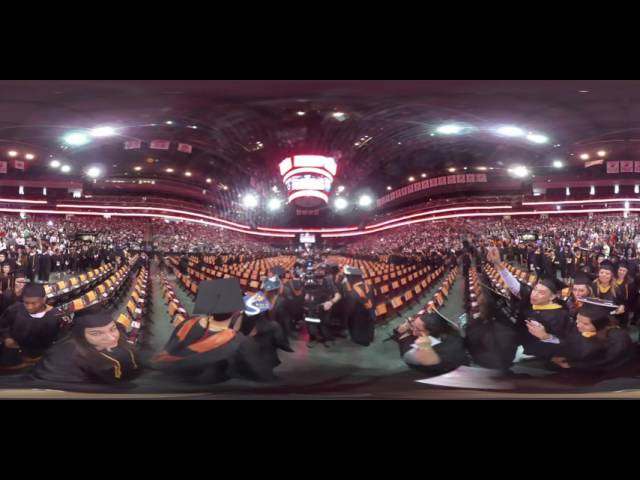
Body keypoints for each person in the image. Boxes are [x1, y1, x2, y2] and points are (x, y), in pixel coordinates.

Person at [487, 246, 570, 359]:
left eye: (541, 293)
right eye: (535, 289)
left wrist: (546, 336)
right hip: (520, 343)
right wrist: (498, 263)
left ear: (552, 297)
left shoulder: (560, 315)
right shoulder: (532, 300)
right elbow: (514, 286)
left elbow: (566, 342)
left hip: (539, 357)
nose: (534, 294)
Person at [31, 310, 141, 385]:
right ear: (80, 335)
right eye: (96, 333)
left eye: (113, 329)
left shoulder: (119, 344)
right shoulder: (64, 359)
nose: (112, 338)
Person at [550, 302, 636, 373]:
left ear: (599, 323)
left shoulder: (619, 338)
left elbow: (609, 361)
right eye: (577, 320)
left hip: (614, 372)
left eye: (585, 324)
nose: (578, 325)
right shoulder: (582, 328)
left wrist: (573, 365)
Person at [0, 283, 68, 367]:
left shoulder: (56, 316)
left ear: (44, 299)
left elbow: (61, 340)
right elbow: (3, 325)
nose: (29, 307)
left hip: (40, 359)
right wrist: (7, 337)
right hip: (13, 356)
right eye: (26, 303)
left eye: (34, 303)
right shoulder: (16, 309)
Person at [390, 312, 469, 376]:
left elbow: (407, 354)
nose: (414, 332)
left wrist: (403, 335)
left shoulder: (417, 352)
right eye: (413, 327)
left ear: (432, 331)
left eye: (418, 329)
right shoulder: (451, 333)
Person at [342, 266, 375, 346]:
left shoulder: (353, 293)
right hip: (370, 314)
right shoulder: (369, 286)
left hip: (358, 318)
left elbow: (350, 310)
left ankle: (361, 340)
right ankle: (370, 337)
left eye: (348, 277)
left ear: (352, 278)